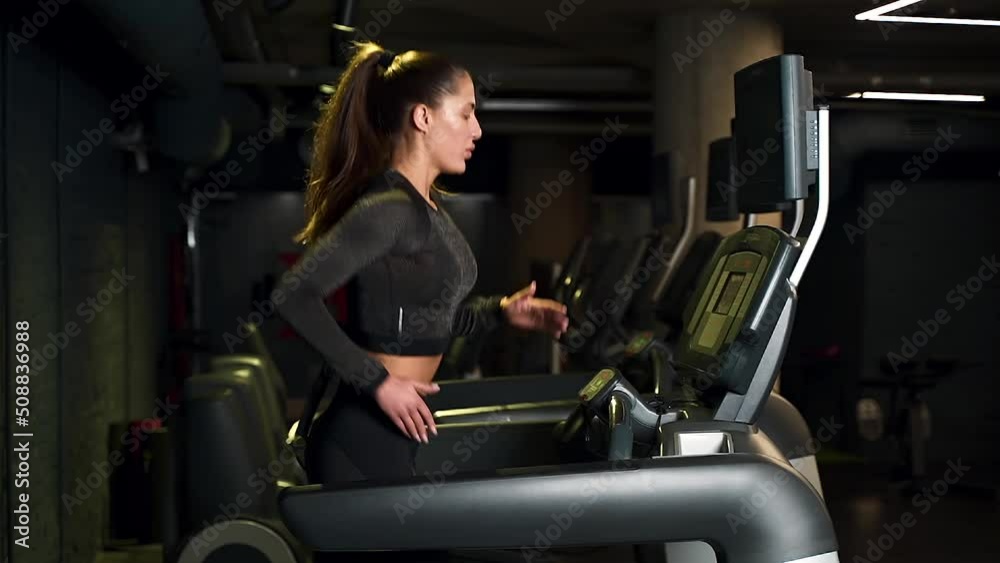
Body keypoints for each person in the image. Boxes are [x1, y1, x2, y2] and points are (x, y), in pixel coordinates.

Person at [275, 41, 569, 487]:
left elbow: (426, 318)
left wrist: (500, 312)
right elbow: (294, 296)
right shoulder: (390, 208)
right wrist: (378, 383)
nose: (478, 130)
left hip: (398, 428)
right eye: (466, 113)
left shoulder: (425, 207)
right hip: (363, 433)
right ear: (423, 117)